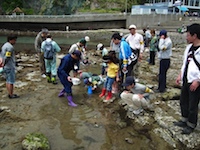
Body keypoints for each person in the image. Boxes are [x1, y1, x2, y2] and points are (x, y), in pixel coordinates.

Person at [174, 23, 200, 134]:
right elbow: (185, 63)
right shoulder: (189, 48)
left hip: (195, 81)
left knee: (192, 105)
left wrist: (198, 80)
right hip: (186, 78)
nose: (186, 37)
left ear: (195, 36)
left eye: (188, 35)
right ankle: (184, 120)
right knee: (183, 101)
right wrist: (180, 74)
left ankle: (191, 124)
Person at [0, 34, 19, 98]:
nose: (15, 42)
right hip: (9, 66)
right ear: (11, 40)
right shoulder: (10, 47)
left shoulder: (4, 45)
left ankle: (9, 93)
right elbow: (7, 57)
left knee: (7, 80)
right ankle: (11, 94)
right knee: (11, 81)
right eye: (14, 40)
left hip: (5, 66)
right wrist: (4, 63)